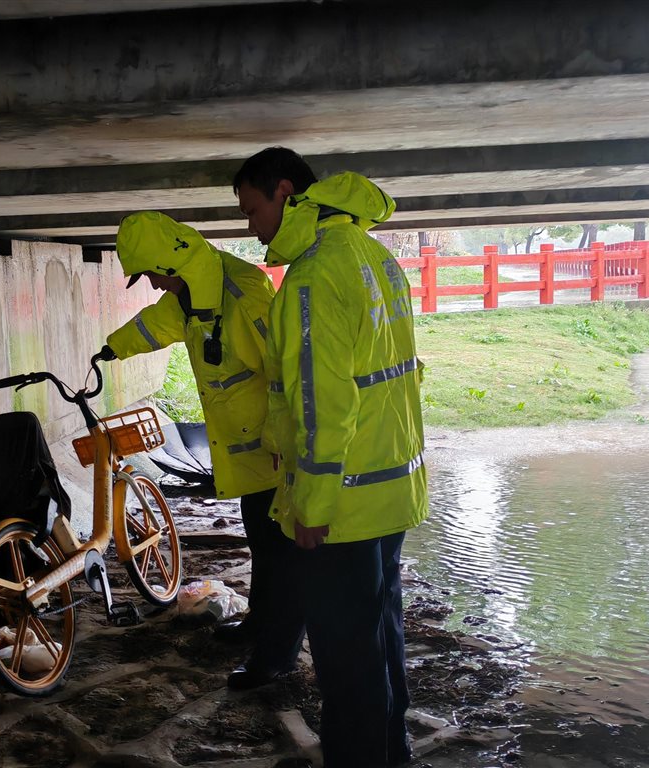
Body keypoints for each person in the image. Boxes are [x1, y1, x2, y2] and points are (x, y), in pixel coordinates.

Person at [233, 147, 429, 767]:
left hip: (341, 503)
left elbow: (322, 407)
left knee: (346, 660)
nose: (250, 225)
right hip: (389, 488)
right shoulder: (376, 257)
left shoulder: (315, 276)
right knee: (381, 635)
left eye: (253, 208)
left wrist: (311, 506)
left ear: (286, 193)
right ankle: (392, 752)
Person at [97, 210, 305, 690]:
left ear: (172, 264)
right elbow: (156, 325)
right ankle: (259, 623)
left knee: (282, 554)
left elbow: (282, 373)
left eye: (150, 274)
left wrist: (281, 442)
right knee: (260, 538)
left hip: (271, 449)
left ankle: (277, 655)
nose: (150, 284)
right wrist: (112, 348)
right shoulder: (192, 292)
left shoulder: (242, 293)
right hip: (248, 451)